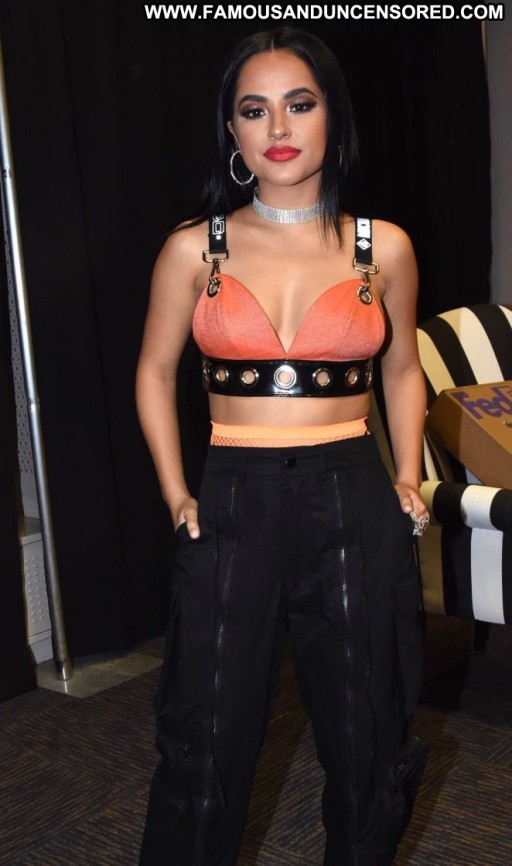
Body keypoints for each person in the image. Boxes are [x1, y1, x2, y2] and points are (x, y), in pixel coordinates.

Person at [136, 27, 429, 866]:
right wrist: (176, 491)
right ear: (231, 129)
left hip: (351, 495)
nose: (279, 128)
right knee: (206, 732)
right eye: (254, 110)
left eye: (299, 104)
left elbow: (403, 369)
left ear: (332, 114)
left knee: (369, 729)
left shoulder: (384, 246)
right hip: (233, 499)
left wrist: (407, 475)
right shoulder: (194, 248)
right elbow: (155, 372)